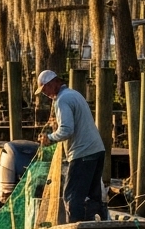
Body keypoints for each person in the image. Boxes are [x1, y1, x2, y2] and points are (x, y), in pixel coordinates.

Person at [36, 69, 108, 221]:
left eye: (44, 89)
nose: (44, 93)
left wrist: (50, 138)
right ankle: (97, 228)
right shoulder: (74, 94)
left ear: (54, 83)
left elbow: (67, 129)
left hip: (82, 153)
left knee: (71, 196)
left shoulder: (62, 100)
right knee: (92, 196)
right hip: (97, 150)